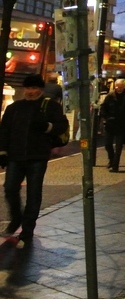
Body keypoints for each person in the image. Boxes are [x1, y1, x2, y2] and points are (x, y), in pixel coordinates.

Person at [0, 73, 70, 246]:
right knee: (9, 189)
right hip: (16, 156)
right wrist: (2, 152)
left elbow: (61, 126)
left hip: (37, 156)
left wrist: (47, 126)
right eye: (28, 88)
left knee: (34, 193)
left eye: (34, 88)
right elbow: (4, 130)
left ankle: (27, 229)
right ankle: (16, 218)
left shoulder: (50, 106)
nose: (31, 92)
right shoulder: (14, 108)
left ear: (41, 89)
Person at [100, 79, 125, 172]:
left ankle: (115, 166)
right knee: (107, 144)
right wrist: (106, 117)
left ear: (124, 87)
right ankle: (112, 160)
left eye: (121, 86)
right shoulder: (110, 96)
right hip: (111, 124)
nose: (119, 88)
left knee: (119, 147)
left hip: (122, 124)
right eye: (117, 86)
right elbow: (103, 107)